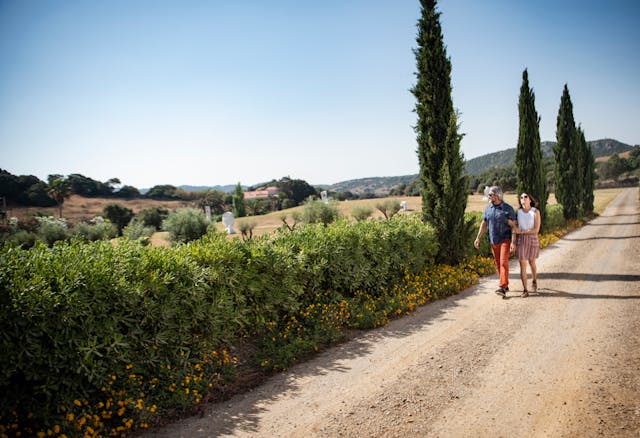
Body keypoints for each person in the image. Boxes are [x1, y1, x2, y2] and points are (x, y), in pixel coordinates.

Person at [474, 186, 516, 298]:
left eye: (490, 194)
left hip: (505, 239)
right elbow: (484, 224)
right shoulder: (488, 208)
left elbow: (513, 226)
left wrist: (513, 242)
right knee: (498, 264)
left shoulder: (508, 209)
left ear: (497, 195)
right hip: (493, 240)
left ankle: (502, 287)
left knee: (503, 262)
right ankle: (505, 283)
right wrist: (478, 238)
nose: (489, 196)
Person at [510, 192, 541, 298]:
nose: (523, 198)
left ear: (530, 200)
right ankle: (525, 290)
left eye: (525, 197)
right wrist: (513, 242)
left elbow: (536, 230)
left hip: (532, 239)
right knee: (522, 265)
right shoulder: (517, 212)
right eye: (521, 197)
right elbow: (514, 229)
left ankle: (534, 280)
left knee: (532, 262)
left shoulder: (535, 212)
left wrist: (521, 232)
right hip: (521, 240)